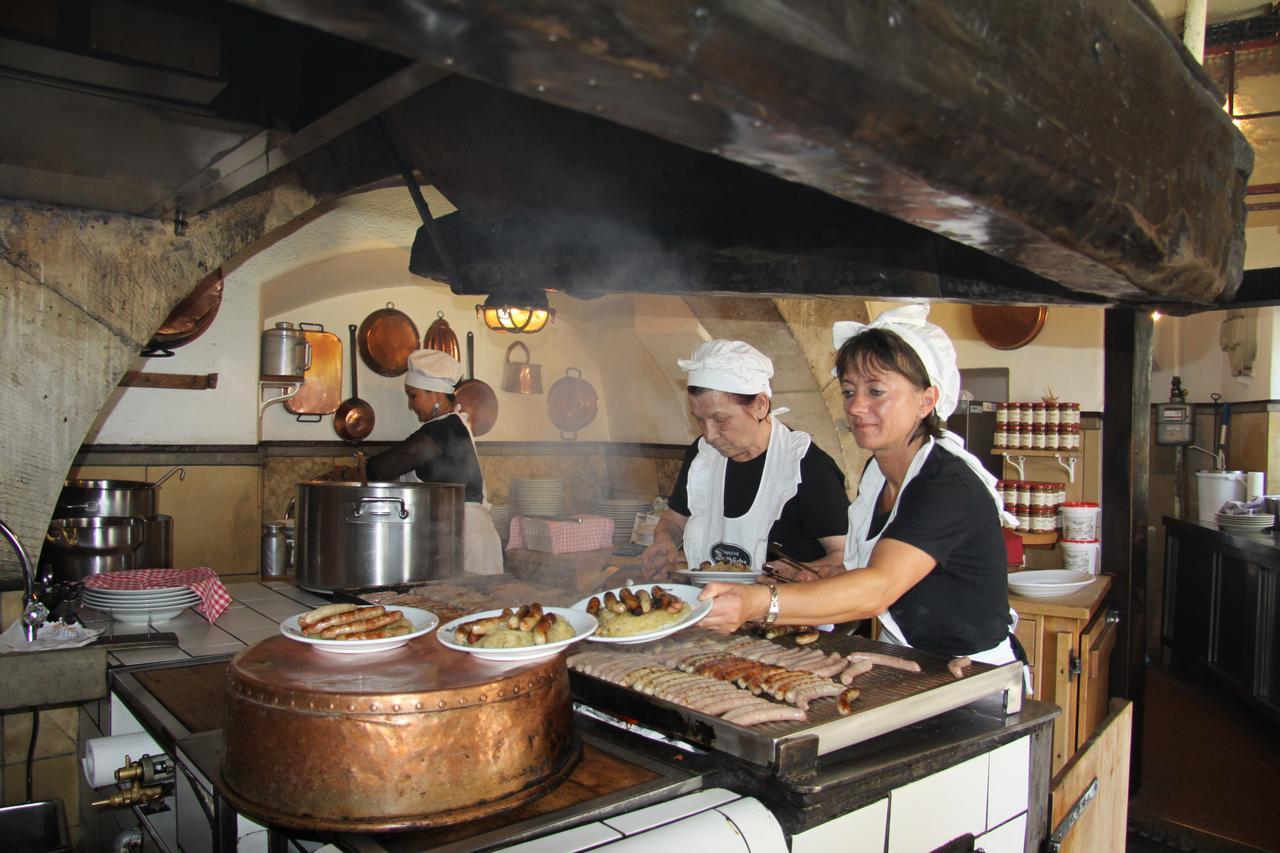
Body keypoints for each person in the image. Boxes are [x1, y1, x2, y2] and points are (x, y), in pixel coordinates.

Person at [699, 304, 1021, 664]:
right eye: (849, 391)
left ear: (926, 400)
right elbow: (892, 571)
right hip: (912, 662)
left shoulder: (947, 485)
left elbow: (878, 589)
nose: (856, 406)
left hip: (973, 675)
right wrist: (831, 574)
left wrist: (757, 602)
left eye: (876, 391)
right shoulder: (879, 472)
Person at [640, 339, 848, 579]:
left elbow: (844, 555)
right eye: (699, 420)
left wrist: (797, 572)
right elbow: (674, 520)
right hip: (712, 609)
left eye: (720, 419)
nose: (709, 435)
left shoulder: (806, 466)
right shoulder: (702, 456)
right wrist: (665, 539)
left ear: (761, 405)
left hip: (786, 613)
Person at [364, 349, 503, 575]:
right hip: (457, 537)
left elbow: (382, 468)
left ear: (435, 395)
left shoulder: (442, 429)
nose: (410, 405)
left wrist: (351, 472)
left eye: (413, 395)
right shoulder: (450, 425)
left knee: (475, 606)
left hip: (468, 541)